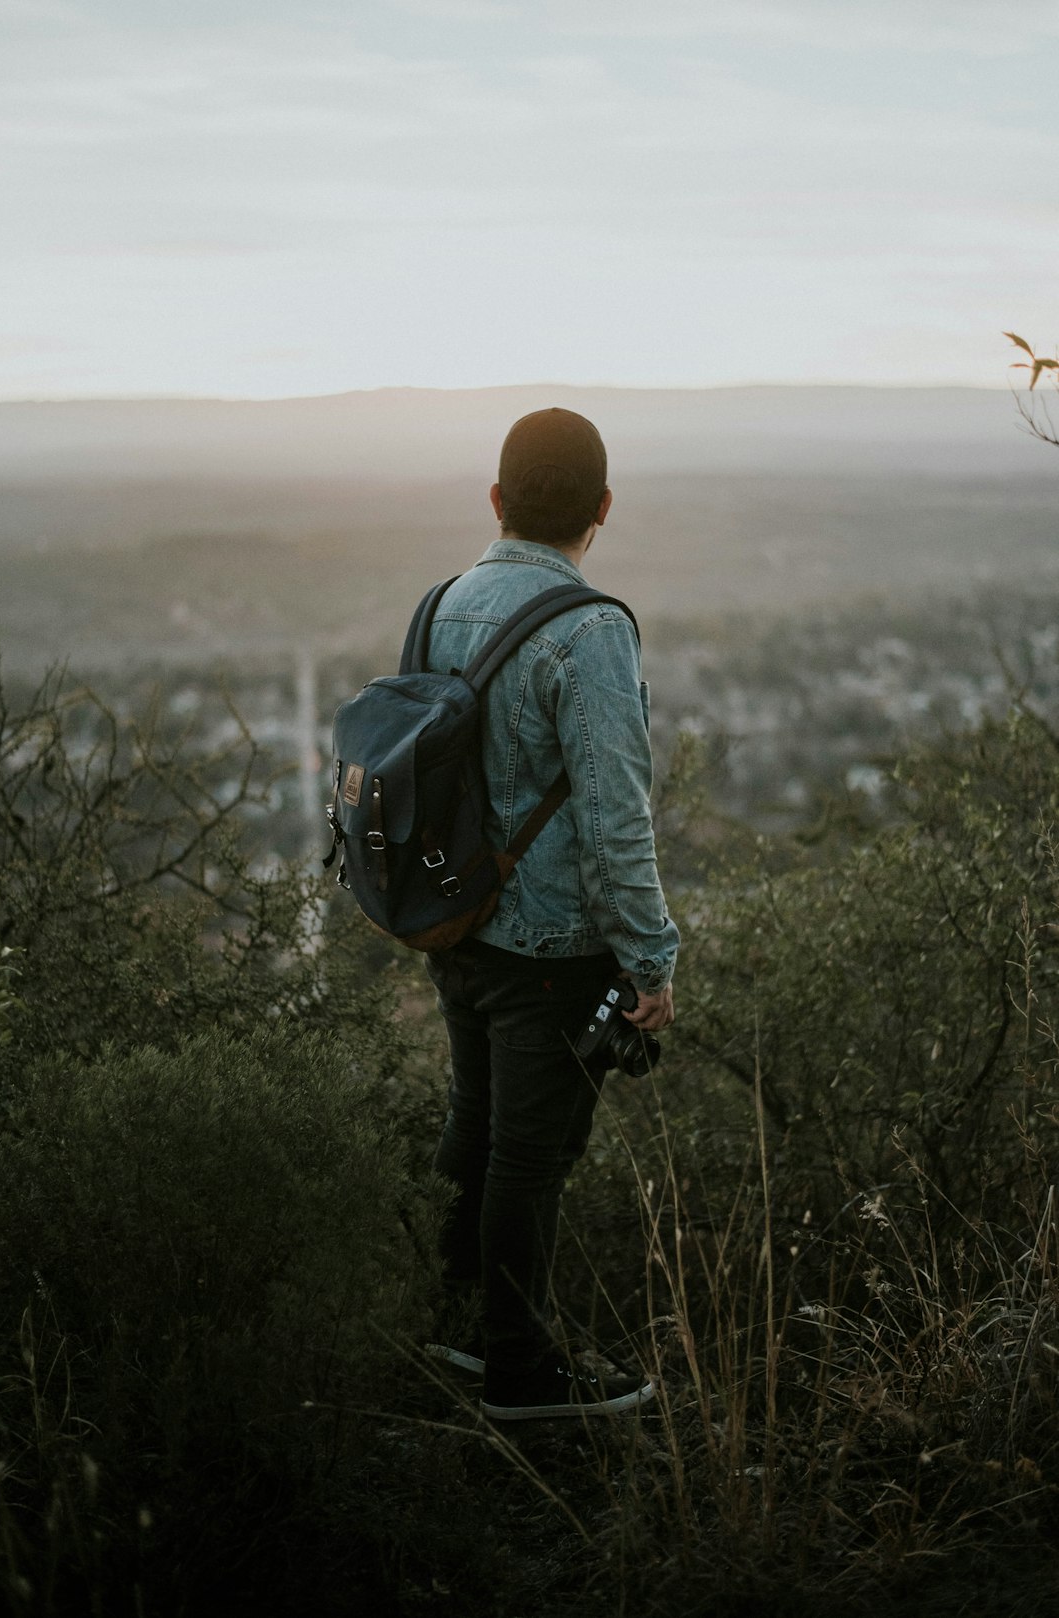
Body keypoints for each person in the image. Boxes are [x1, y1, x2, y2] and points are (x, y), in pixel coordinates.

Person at [423, 407, 678, 1421]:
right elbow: (617, 815)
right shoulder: (591, 627)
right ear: (603, 509)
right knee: (529, 1159)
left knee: (474, 1130)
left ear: (496, 501)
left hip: (456, 925)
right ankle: (523, 1375)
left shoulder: (442, 604)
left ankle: (457, 1333)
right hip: (551, 946)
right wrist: (651, 961)